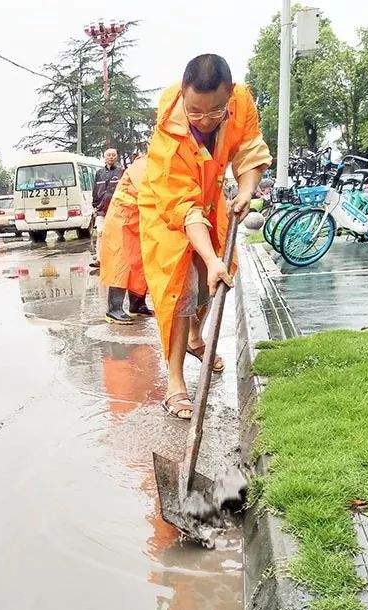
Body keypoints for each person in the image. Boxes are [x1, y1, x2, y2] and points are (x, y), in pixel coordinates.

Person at [138, 54, 271, 419]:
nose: (206, 120)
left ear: (229, 95)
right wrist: (209, 258)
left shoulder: (241, 103)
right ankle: (176, 382)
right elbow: (182, 208)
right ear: (183, 94)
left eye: (216, 112)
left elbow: (249, 153)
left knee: (214, 281)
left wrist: (246, 190)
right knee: (179, 290)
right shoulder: (169, 131)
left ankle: (199, 338)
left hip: (212, 199)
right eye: (196, 112)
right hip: (166, 208)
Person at [99, 153, 153, 324]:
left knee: (138, 263)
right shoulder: (142, 165)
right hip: (121, 222)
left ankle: (137, 304)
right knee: (120, 264)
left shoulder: (152, 164)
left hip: (136, 222)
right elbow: (146, 191)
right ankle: (113, 310)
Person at [91, 148, 122, 267]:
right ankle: (99, 259)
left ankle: (117, 258)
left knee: (116, 234)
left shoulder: (121, 172)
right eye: (108, 155)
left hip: (116, 209)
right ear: (105, 157)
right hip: (101, 209)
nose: (111, 157)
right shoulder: (99, 173)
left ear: (116, 157)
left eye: (113, 155)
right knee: (100, 233)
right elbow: (95, 190)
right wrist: (94, 206)